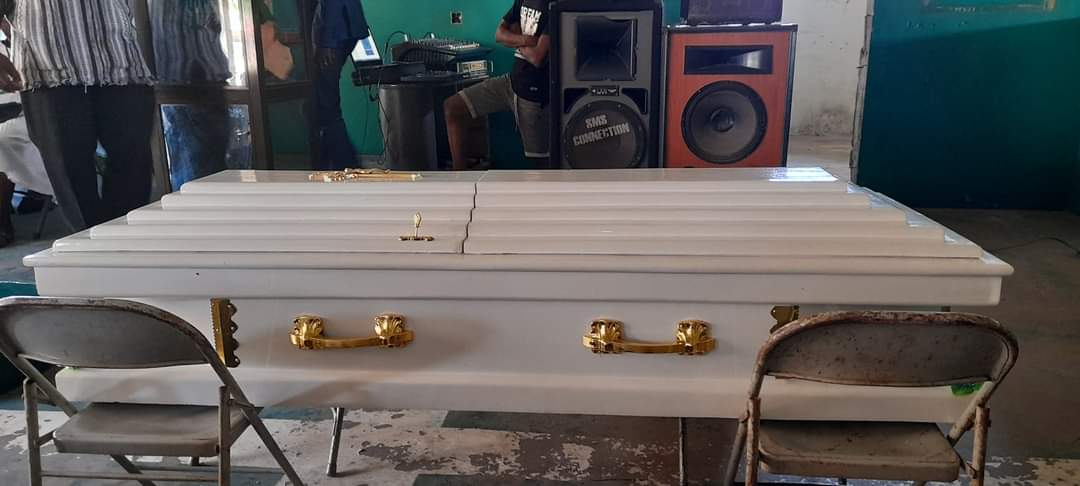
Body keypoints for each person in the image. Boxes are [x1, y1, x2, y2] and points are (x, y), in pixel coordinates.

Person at [1, 0, 155, 231]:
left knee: (134, 165)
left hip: (121, 62)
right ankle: (90, 246)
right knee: (71, 175)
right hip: (49, 71)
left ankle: (125, 241)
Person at [444, 0, 552, 170]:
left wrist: (513, 38)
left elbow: (537, 57)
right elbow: (499, 35)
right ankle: (460, 176)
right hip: (511, 82)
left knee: (542, 167)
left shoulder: (554, 5)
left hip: (535, 94)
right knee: (453, 107)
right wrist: (525, 39)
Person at [0, 1, 51, 247]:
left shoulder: (38, 36)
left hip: (38, 111)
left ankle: (2, 221)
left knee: (3, 137)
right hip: (13, 109)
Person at [311, 0, 369, 170]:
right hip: (343, 28)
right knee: (324, 106)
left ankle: (348, 165)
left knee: (326, 108)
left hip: (336, 32)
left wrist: (327, 42)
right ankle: (330, 164)